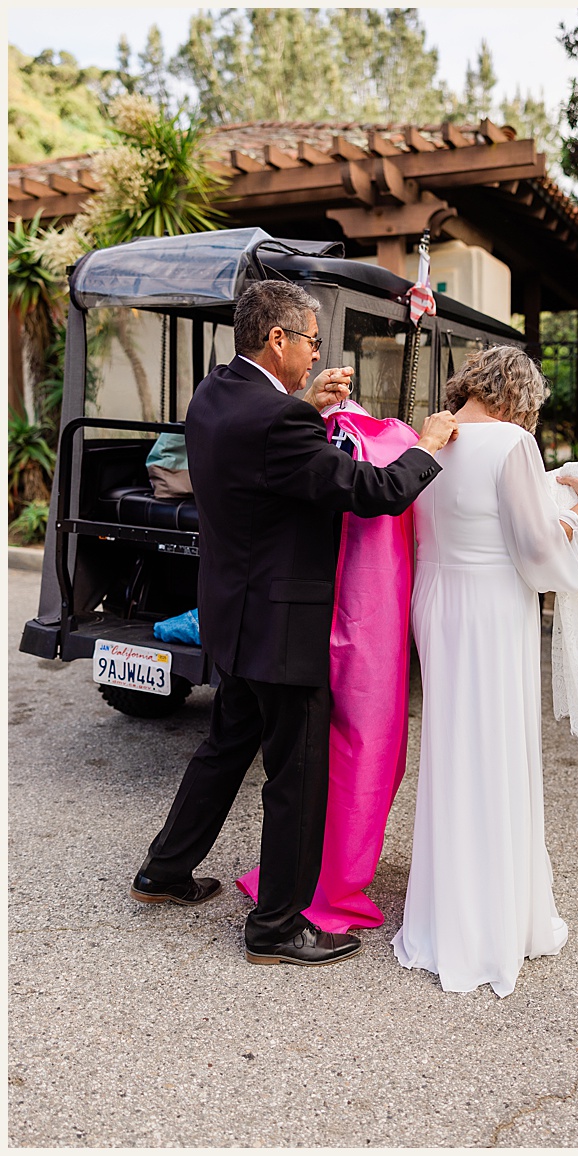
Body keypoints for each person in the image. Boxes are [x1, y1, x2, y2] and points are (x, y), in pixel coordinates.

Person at [132, 278, 459, 967]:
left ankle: (164, 872)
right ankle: (276, 928)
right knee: (296, 777)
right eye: (311, 340)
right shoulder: (278, 421)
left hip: (233, 615)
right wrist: (425, 446)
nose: (316, 354)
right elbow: (374, 492)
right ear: (277, 338)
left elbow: (265, 454)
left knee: (224, 750)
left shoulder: (216, 395)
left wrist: (306, 408)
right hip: (281, 631)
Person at [390, 346, 578, 997]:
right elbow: (536, 545)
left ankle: (441, 917)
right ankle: (492, 924)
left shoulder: (437, 433)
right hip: (489, 609)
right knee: (497, 752)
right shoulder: (511, 442)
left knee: (452, 753)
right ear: (520, 397)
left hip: (436, 600)